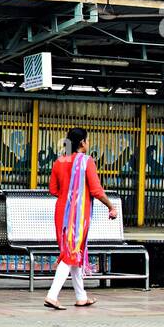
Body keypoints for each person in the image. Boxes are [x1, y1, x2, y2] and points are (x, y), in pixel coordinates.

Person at [44, 127, 117, 310]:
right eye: (88, 140)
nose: (88, 143)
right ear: (82, 143)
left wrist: (67, 194)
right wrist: (111, 206)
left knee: (72, 251)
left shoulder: (59, 161)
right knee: (70, 254)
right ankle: (52, 295)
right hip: (78, 215)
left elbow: (53, 190)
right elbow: (96, 191)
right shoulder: (87, 162)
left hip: (62, 212)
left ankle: (81, 296)